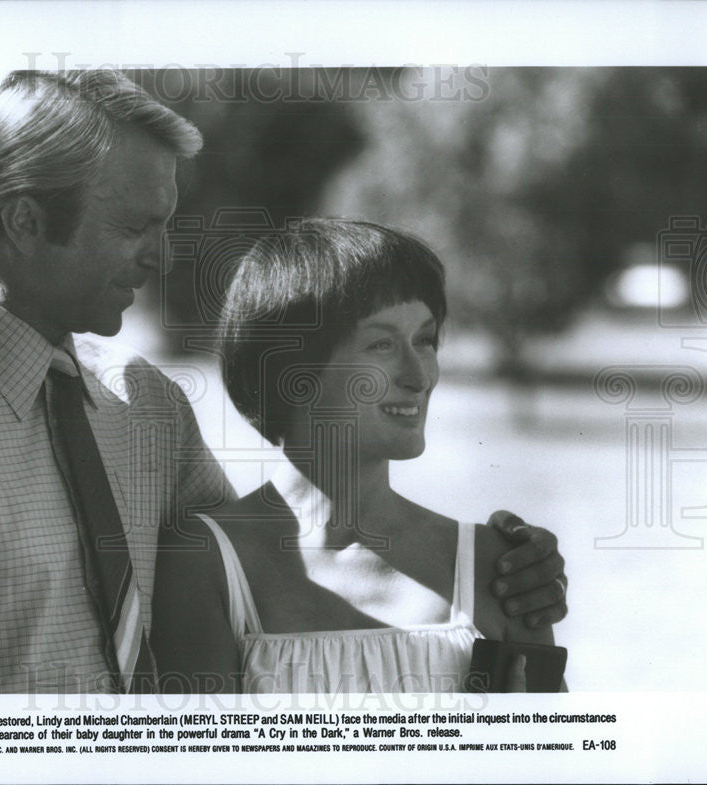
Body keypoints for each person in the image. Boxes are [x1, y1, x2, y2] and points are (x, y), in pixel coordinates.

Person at [0, 70, 567, 694]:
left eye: (166, 224)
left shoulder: (145, 405)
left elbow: (275, 568)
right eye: (134, 227)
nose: (161, 258)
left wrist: (488, 574)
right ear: (22, 220)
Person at [152, 218, 565, 693]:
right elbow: (197, 765)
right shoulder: (205, 563)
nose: (419, 375)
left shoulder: (500, 569)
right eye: (382, 344)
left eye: (426, 340)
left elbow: (556, 763)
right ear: (293, 370)